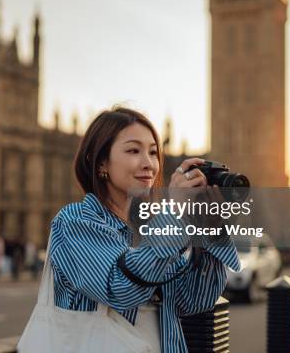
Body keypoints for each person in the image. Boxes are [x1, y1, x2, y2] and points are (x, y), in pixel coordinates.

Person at [45, 107, 240, 352]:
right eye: (133, 150)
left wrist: (209, 227)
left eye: (153, 152)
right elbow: (121, 289)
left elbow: (195, 300)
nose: (148, 163)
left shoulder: (152, 226)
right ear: (100, 162)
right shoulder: (74, 221)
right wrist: (175, 211)